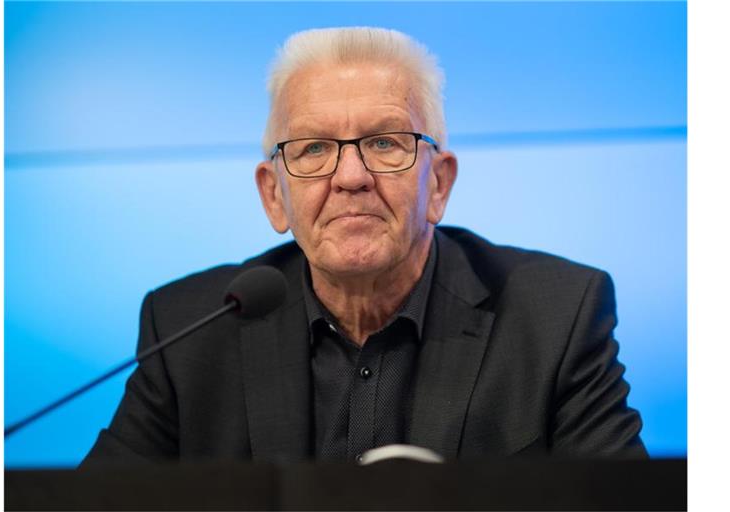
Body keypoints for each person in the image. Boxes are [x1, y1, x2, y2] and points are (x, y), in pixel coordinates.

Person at [82, 27, 646, 465]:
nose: (351, 176)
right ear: (273, 196)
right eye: (312, 150)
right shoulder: (189, 328)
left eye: (384, 142)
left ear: (439, 184)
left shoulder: (556, 317)